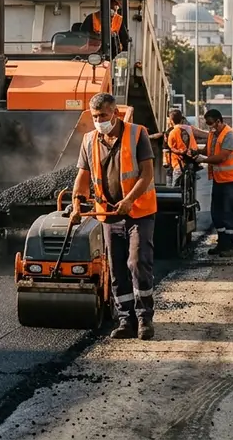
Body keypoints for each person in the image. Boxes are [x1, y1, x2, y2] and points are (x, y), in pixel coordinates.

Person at [70, 92, 158, 340]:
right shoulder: (89, 140)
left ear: (115, 114)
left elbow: (147, 172)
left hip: (138, 212)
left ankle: (144, 319)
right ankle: (125, 321)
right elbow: (83, 177)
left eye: (103, 116)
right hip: (108, 214)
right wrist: (77, 204)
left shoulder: (137, 134)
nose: (99, 121)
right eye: (95, 117)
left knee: (138, 262)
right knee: (117, 269)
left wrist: (129, 200)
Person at [194, 108, 233, 257]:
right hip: (220, 179)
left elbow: (221, 157)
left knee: (229, 212)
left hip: (231, 180)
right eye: (207, 124)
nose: (210, 127)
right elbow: (209, 150)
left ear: (219, 120)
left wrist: (203, 160)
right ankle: (222, 243)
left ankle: (231, 246)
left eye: (211, 123)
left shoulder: (229, 135)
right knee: (217, 212)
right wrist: (196, 152)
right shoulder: (214, 134)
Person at [165, 109, 199, 187]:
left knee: (175, 188)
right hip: (191, 162)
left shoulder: (172, 132)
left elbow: (171, 148)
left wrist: (180, 152)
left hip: (178, 164)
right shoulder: (189, 128)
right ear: (181, 119)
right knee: (191, 186)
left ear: (171, 121)